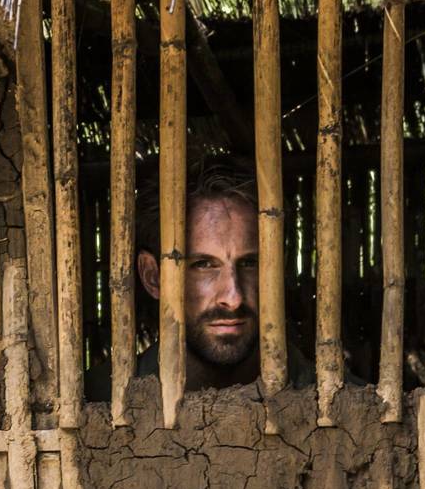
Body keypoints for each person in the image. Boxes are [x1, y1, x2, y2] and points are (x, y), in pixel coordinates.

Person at [88, 153, 306, 400]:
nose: (233, 298)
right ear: (153, 276)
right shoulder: (97, 405)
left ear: (281, 267)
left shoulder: (340, 406)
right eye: (203, 265)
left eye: (249, 263)